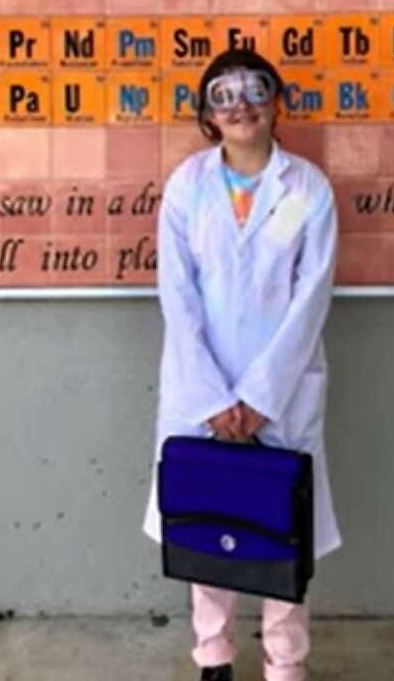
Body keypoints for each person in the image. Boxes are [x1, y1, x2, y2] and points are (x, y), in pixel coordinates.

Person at [143, 47, 341, 681]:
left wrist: (259, 397)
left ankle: (285, 663)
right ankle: (214, 656)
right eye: (223, 96)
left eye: (255, 91)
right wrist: (214, 398)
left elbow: (311, 299)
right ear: (207, 114)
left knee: (281, 530)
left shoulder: (308, 187)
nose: (241, 106)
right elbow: (177, 295)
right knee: (208, 520)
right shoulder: (187, 186)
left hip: (280, 390)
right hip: (201, 387)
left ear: (276, 101)